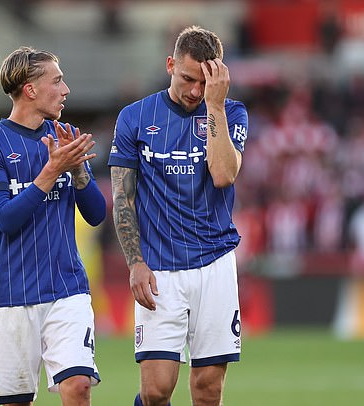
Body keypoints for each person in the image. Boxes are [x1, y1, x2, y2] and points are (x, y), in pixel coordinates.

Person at [108, 26, 249, 406]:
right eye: (187, 78)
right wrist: (135, 262)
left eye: (204, 82)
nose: (194, 91)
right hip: (160, 268)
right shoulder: (135, 118)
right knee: (155, 391)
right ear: (170, 65)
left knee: (207, 390)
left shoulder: (230, 113)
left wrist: (215, 106)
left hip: (214, 265)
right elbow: (123, 198)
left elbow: (223, 174)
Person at [0, 46, 106, 406]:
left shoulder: (65, 135)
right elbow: (4, 219)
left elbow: (95, 214)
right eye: (57, 81)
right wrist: (50, 171)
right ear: (30, 89)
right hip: (12, 295)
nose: (66, 90)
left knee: (78, 386)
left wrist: (76, 170)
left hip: (66, 288)